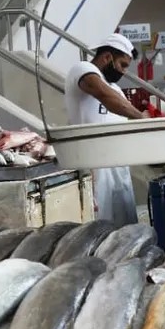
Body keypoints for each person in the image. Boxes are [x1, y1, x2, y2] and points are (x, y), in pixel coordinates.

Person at [64, 33, 147, 225]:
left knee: (124, 229)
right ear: (107, 57)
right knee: (99, 228)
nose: (124, 72)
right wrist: (140, 118)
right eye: (123, 65)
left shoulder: (115, 89)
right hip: (94, 168)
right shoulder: (82, 70)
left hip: (118, 169)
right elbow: (104, 95)